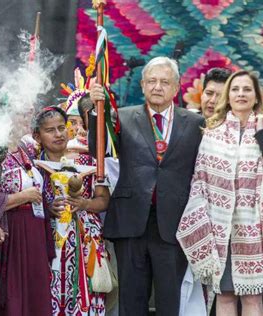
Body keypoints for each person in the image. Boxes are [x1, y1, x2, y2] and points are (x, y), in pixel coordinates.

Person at [90, 56, 204, 315]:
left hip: (174, 223)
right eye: (151, 81)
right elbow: (98, 149)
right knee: (131, 300)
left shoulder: (196, 123)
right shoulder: (123, 117)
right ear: (142, 85)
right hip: (131, 221)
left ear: (176, 88)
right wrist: (97, 111)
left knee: (169, 300)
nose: (157, 87)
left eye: (165, 82)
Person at [177, 70, 263, 316]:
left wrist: (262, 134)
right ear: (228, 96)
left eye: (247, 89)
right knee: (225, 296)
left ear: (255, 96)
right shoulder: (212, 132)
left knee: (252, 297)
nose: (241, 94)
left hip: (255, 229)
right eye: (235, 89)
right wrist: (203, 222)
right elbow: (200, 181)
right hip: (221, 228)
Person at [33, 107, 110, 315]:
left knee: (86, 298)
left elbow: (103, 200)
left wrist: (84, 204)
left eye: (61, 127)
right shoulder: (31, 166)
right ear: (37, 135)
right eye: (50, 130)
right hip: (47, 242)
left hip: (86, 242)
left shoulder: (89, 161)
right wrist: (48, 208)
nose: (58, 134)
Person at [0, 113, 53, 315]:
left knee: (34, 291)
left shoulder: (24, 149)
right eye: (22, 113)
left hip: (34, 229)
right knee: (15, 290)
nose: (28, 118)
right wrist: (24, 197)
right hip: (13, 230)